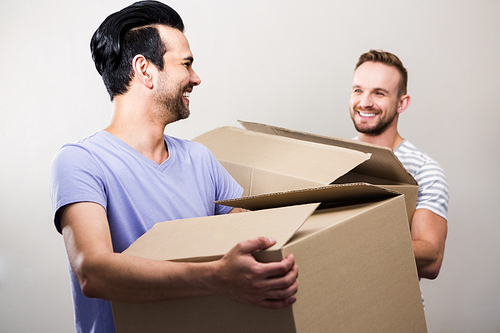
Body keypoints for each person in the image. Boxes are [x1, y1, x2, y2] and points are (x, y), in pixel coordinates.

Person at [49, 2, 298, 332]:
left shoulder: (200, 159)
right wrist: (216, 278)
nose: (196, 78)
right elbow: (92, 271)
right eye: (186, 64)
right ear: (145, 69)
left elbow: (246, 240)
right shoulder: (81, 161)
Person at [349, 49, 449, 280]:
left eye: (379, 93)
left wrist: (350, 240)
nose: (365, 102)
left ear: (401, 104)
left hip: (393, 311)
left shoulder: (424, 171)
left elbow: (431, 259)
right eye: (358, 90)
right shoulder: (335, 158)